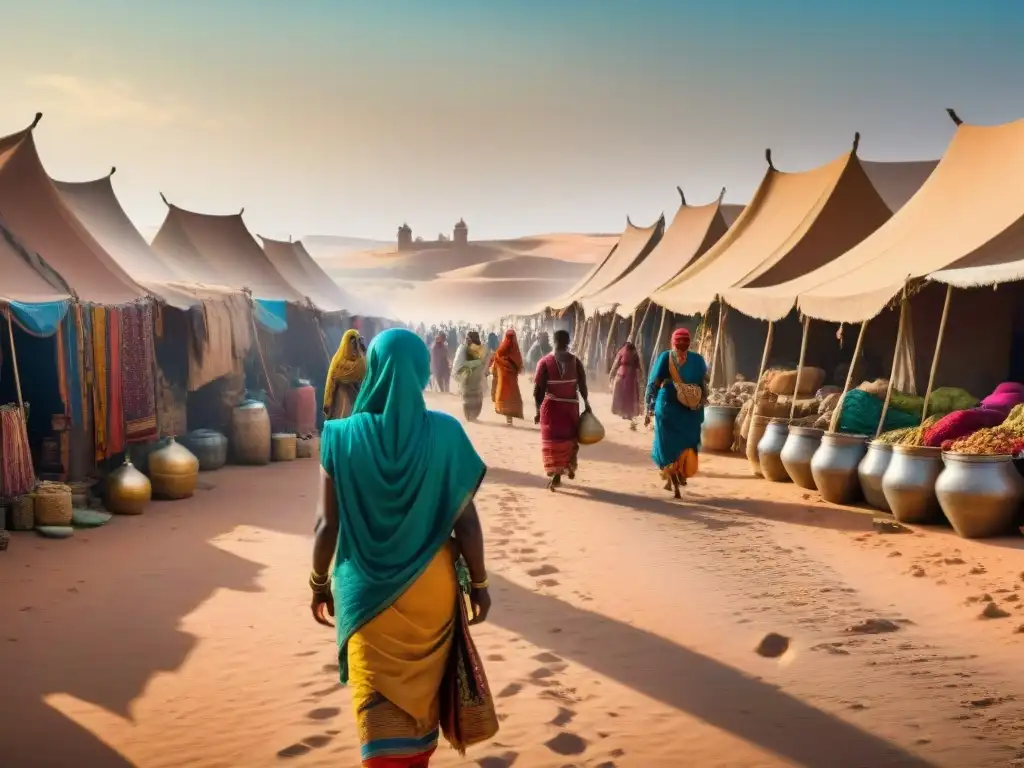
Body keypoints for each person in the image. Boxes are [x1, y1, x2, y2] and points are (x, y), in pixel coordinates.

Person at [310, 328, 496, 767]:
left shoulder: (338, 436)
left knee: (376, 709)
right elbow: (466, 523)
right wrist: (481, 584)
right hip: (431, 591)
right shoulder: (447, 434)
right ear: (419, 372)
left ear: (372, 370)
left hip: (364, 594)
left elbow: (325, 526)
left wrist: (319, 583)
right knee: (421, 710)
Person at [645, 327, 707, 499]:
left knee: (666, 443)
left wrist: (649, 407)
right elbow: (703, 386)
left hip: (667, 406)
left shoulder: (665, 357)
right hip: (690, 408)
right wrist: (700, 403)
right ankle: (679, 472)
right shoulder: (698, 360)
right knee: (688, 442)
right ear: (689, 343)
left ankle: (670, 473)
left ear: (672, 342)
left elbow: (655, 383)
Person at [533, 329, 589, 490]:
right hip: (571, 408)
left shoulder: (544, 362)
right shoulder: (576, 361)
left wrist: (538, 410)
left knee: (553, 442)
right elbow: (583, 385)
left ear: (553, 341)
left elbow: (538, 391)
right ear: (568, 342)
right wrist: (587, 403)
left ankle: (557, 474)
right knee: (569, 439)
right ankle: (568, 466)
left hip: (551, 410)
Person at [323, 329, 366, 420]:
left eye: (356, 343)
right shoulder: (339, 362)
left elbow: (362, 371)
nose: (354, 347)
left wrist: (361, 350)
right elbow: (331, 383)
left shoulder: (359, 361)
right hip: (342, 398)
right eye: (353, 343)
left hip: (354, 398)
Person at [490, 328, 524, 425]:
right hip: (512, 382)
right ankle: (510, 419)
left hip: (503, 382)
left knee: (504, 398)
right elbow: (519, 366)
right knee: (512, 398)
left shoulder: (500, 351)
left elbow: (496, 362)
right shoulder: (515, 351)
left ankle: (508, 419)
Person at [453, 331, 488, 421]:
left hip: (477, 379)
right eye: (466, 338)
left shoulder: (481, 349)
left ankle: (474, 416)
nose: (467, 340)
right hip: (467, 378)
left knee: (478, 399)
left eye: (469, 339)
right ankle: (469, 417)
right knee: (467, 398)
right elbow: (459, 363)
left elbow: (484, 362)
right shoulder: (463, 349)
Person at [610, 340, 644, 430]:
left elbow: (616, 363)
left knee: (621, 395)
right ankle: (628, 413)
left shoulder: (621, 351)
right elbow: (638, 366)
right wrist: (641, 376)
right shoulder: (635, 353)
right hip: (631, 376)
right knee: (629, 396)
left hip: (622, 374)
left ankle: (622, 412)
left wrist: (611, 373)